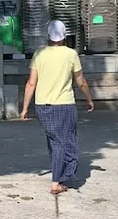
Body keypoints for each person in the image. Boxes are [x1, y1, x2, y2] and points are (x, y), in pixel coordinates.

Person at [20, 20, 94, 195]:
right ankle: (57, 181)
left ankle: (58, 175)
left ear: (48, 35)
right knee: (65, 141)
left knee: (55, 141)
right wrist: (89, 99)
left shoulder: (39, 54)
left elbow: (31, 83)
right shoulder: (71, 54)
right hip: (64, 105)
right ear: (64, 36)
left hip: (43, 106)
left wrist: (25, 107)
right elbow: (81, 82)